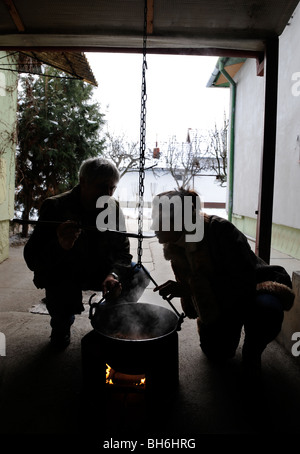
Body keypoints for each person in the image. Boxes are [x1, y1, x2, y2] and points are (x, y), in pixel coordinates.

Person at [151, 187, 295, 379]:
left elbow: (244, 281)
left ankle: (252, 352)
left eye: (158, 220)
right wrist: (190, 293)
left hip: (255, 287)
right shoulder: (175, 246)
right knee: (217, 353)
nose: (153, 226)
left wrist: (189, 289)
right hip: (222, 297)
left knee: (266, 311)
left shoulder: (219, 230)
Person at [24, 157, 149, 348]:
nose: (107, 194)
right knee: (57, 284)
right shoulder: (55, 207)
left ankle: (108, 316)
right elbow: (32, 258)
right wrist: (60, 246)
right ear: (83, 181)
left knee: (139, 274)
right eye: (102, 187)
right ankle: (61, 326)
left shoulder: (112, 208)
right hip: (67, 272)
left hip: (101, 270)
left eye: (112, 188)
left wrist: (113, 274)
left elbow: (123, 252)